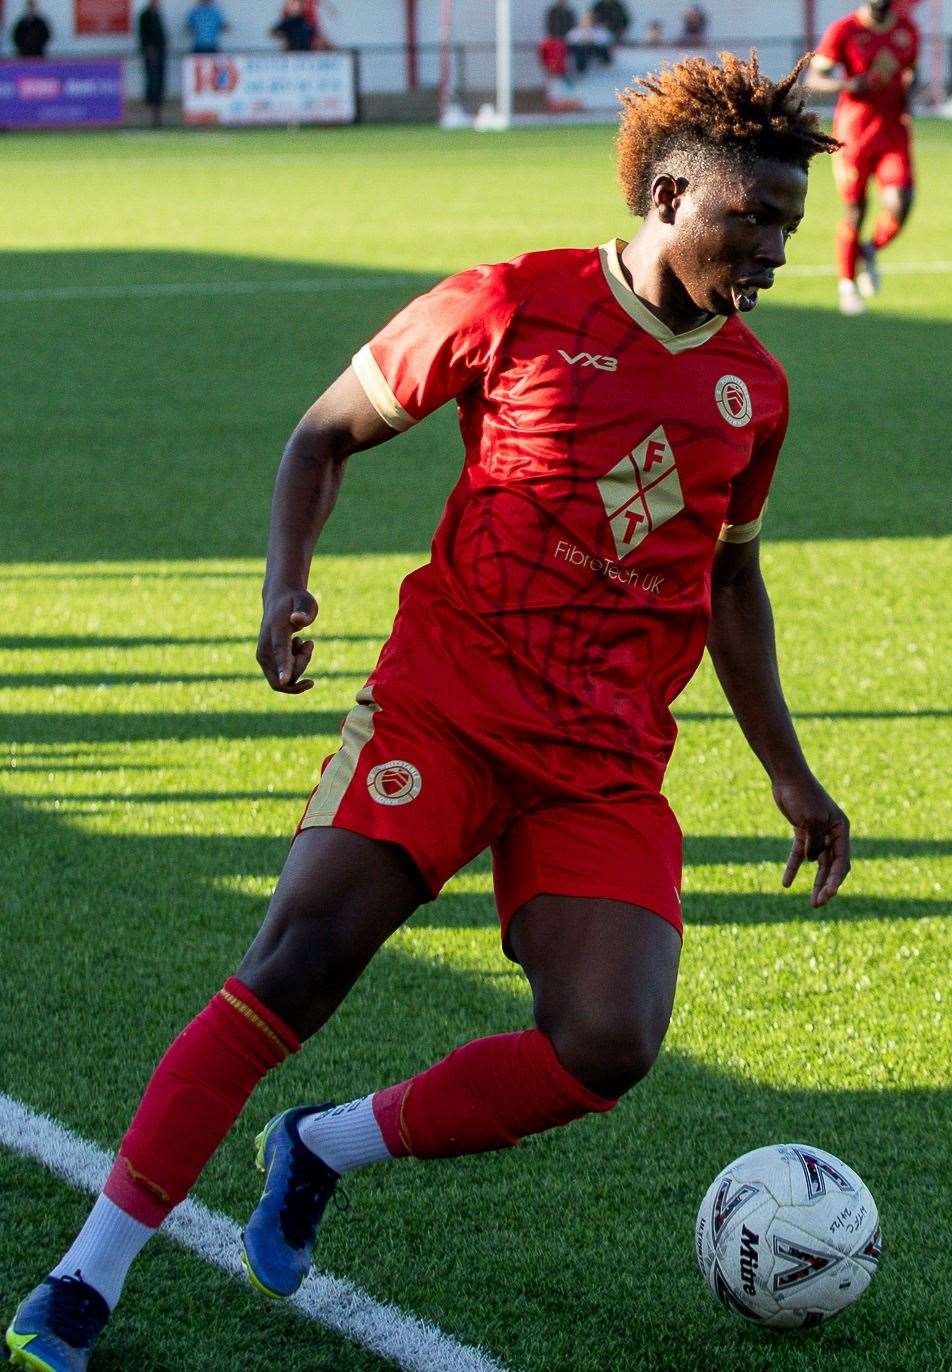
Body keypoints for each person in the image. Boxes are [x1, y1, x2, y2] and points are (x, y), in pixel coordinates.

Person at [4, 50, 851, 1372]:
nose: (776, 249)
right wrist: (288, 578)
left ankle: (320, 1145)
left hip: (603, 756)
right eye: (756, 217)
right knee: (293, 967)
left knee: (608, 1043)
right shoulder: (512, 301)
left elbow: (731, 579)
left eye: (791, 226)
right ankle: (88, 1272)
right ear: (671, 191)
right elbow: (322, 435)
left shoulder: (757, 391)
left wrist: (789, 771)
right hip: (442, 712)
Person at [807, 0, 921, 316]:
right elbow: (814, 80)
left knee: (902, 203)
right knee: (856, 210)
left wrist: (910, 96)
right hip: (854, 133)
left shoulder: (907, 29)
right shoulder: (844, 30)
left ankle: (869, 251)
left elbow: (912, 70)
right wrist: (846, 83)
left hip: (893, 130)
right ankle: (847, 286)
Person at [137, 0, 168, 124]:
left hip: (160, 54)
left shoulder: (158, 15)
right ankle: (152, 112)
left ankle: (158, 110)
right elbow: (143, 35)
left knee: (160, 81)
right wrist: (149, 50)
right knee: (152, 82)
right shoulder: (144, 16)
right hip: (151, 55)